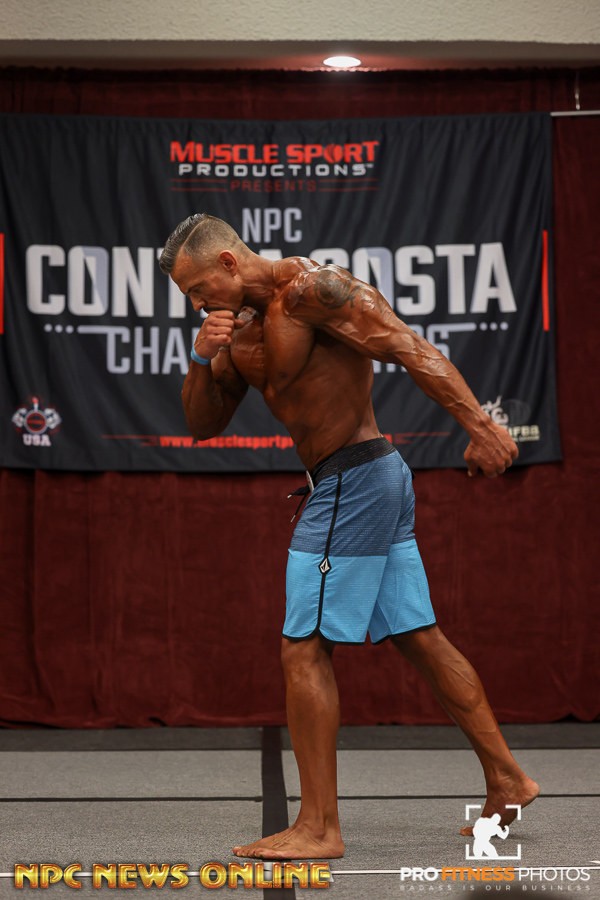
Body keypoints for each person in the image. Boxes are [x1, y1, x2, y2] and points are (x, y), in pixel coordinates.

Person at [159, 213, 539, 861]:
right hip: (360, 481)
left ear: (227, 262)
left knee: (303, 648)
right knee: (420, 637)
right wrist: (201, 355)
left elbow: (408, 346)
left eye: (198, 288)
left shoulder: (315, 290)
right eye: (187, 297)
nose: (196, 302)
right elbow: (203, 425)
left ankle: (319, 827)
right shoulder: (238, 330)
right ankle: (508, 778)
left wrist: (480, 427)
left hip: (354, 480)